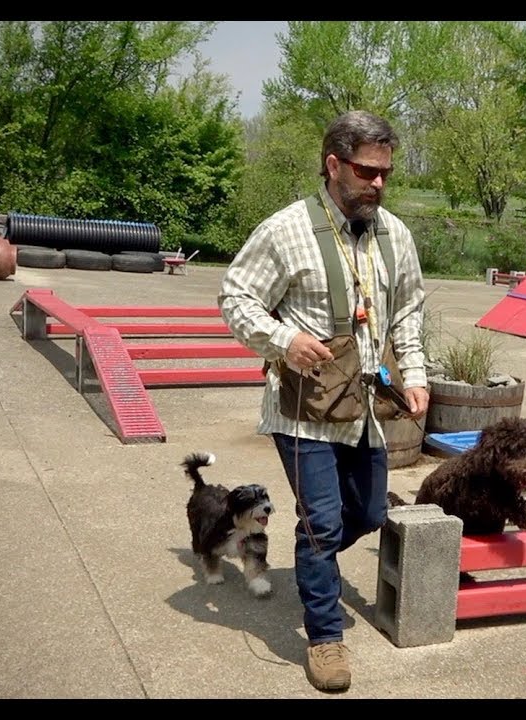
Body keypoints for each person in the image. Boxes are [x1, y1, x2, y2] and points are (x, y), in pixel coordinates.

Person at [217, 109, 429, 693]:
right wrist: (284, 340)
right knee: (322, 524)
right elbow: (235, 297)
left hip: (364, 412)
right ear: (333, 164)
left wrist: (414, 372)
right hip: (303, 413)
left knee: (364, 514)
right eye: (366, 171)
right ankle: (325, 637)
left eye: (386, 173)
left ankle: (320, 558)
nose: (379, 184)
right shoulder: (284, 230)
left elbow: (409, 307)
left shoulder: (395, 234)